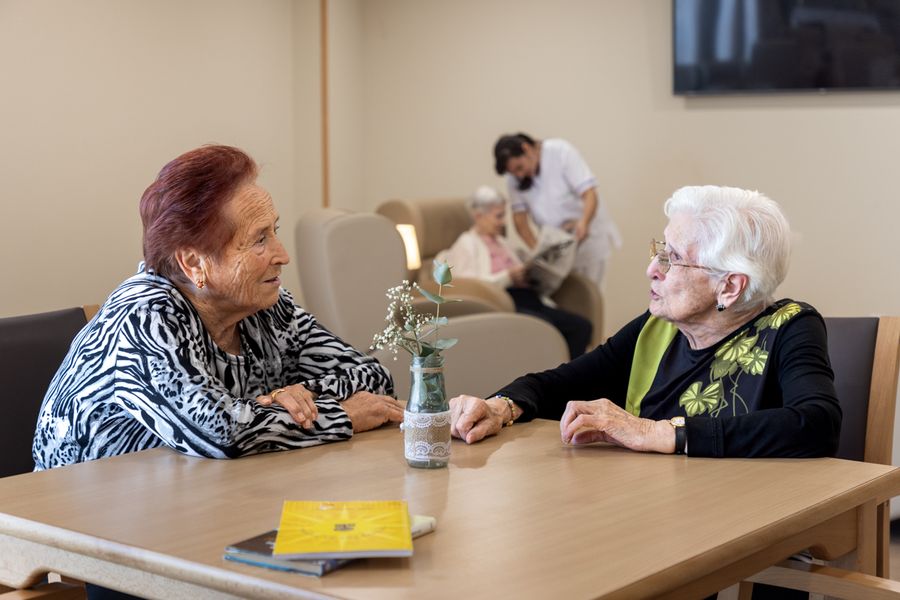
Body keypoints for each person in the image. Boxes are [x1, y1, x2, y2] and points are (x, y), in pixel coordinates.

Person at [33, 145, 404, 471]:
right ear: (194, 263)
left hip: (192, 497)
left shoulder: (264, 304)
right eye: (259, 240)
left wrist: (281, 397)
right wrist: (340, 415)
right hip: (74, 526)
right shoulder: (145, 319)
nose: (282, 255)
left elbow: (372, 379)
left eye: (274, 231)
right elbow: (222, 432)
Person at [448, 185, 842, 459]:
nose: (652, 268)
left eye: (672, 258)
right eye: (659, 251)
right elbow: (560, 383)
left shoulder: (789, 327)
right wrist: (502, 406)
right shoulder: (660, 328)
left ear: (730, 287)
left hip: (741, 522)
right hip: (655, 512)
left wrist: (656, 432)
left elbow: (816, 423)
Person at [438, 185, 592, 358]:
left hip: (530, 299)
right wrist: (508, 277)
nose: (504, 222)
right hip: (506, 303)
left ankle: (569, 378)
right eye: (499, 216)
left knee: (581, 326)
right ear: (478, 216)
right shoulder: (467, 244)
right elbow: (468, 286)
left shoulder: (501, 242)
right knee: (546, 328)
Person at [493, 132, 620, 290]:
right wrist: (539, 252)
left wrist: (584, 223)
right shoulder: (514, 178)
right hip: (557, 247)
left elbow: (589, 193)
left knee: (591, 293)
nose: (519, 175)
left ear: (526, 149)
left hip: (588, 240)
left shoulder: (560, 152)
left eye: (520, 167)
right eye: (514, 172)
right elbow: (520, 220)